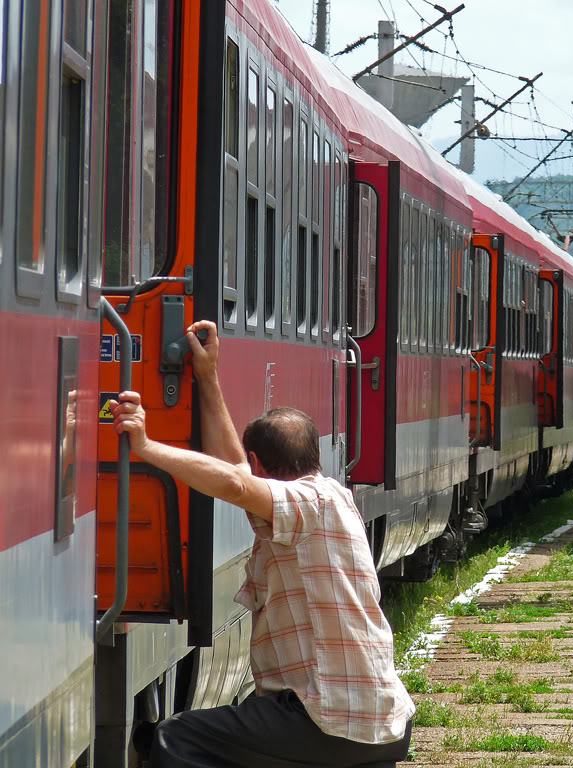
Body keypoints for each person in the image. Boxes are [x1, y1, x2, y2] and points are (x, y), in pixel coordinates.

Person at [111, 321, 414, 768]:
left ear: (259, 464)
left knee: (176, 739)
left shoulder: (306, 504)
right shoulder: (331, 499)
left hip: (329, 720)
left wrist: (146, 446)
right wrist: (209, 377)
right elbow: (236, 470)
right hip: (378, 721)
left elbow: (235, 481)